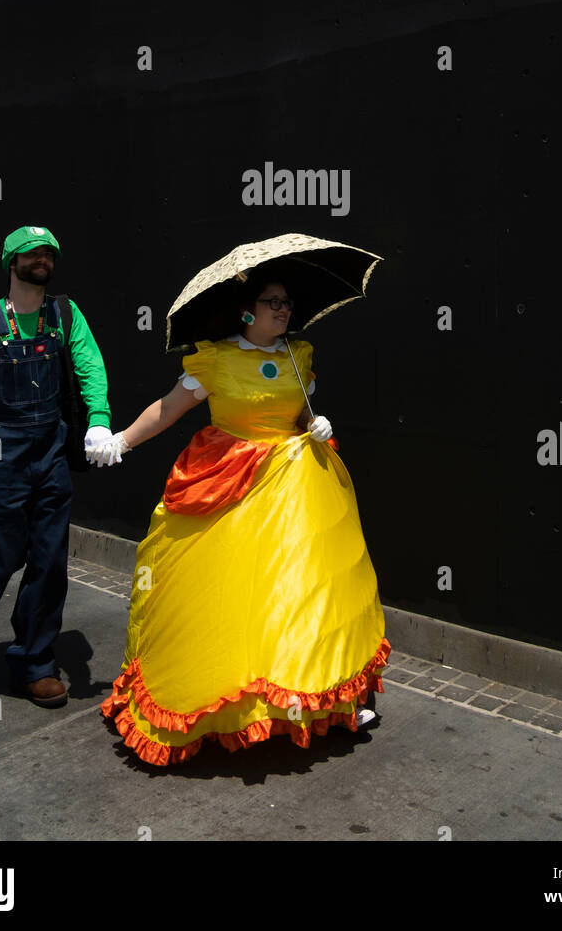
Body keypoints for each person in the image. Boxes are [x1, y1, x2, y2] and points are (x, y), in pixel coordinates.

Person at [88, 260, 389, 765]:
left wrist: (316, 423)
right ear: (247, 313)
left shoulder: (299, 354)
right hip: (232, 482)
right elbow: (167, 409)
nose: (284, 310)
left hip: (298, 484)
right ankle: (238, 702)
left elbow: (301, 412)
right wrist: (121, 440)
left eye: (287, 303)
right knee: (236, 596)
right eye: (274, 302)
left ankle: (335, 701)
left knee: (311, 592)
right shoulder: (216, 361)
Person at [0, 225, 114, 706]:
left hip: (49, 455)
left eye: (49, 252)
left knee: (50, 564)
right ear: (11, 262)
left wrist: (98, 422)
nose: (42, 259)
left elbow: (90, 368)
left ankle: (34, 663)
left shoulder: (65, 316)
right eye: (31, 252)